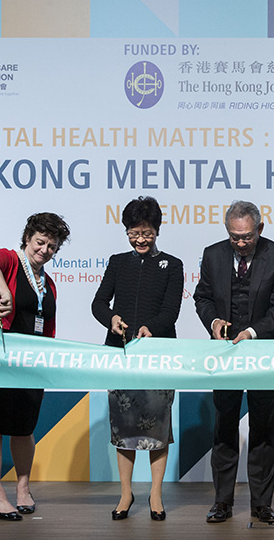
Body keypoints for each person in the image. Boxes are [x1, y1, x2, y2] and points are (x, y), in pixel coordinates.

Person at [0, 212, 71, 521]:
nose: (45, 250)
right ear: (28, 238)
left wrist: (46, 361)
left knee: (24, 427)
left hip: (28, 358)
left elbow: (47, 328)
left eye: (52, 246)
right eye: (40, 242)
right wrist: (5, 292)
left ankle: (23, 489)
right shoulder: (8, 260)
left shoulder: (48, 284)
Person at [193, 201, 274, 524]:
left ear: (259, 230)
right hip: (225, 354)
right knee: (224, 425)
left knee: (264, 428)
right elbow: (203, 298)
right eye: (234, 236)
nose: (240, 243)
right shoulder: (212, 255)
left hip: (265, 351)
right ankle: (222, 502)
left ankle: (261, 504)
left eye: (247, 237)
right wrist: (213, 322)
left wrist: (252, 332)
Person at [91, 196, 183, 522]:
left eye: (146, 232)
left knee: (158, 427)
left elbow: (171, 312)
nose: (140, 239)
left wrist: (151, 328)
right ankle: (126, 493)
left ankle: (155, 493)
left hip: (158, 355)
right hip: (121, 354)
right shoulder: (118, 262)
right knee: (124, 427)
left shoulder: (172, 265)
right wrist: (112, 319)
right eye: (134, 232)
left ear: (157, 230)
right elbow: (99, 303)